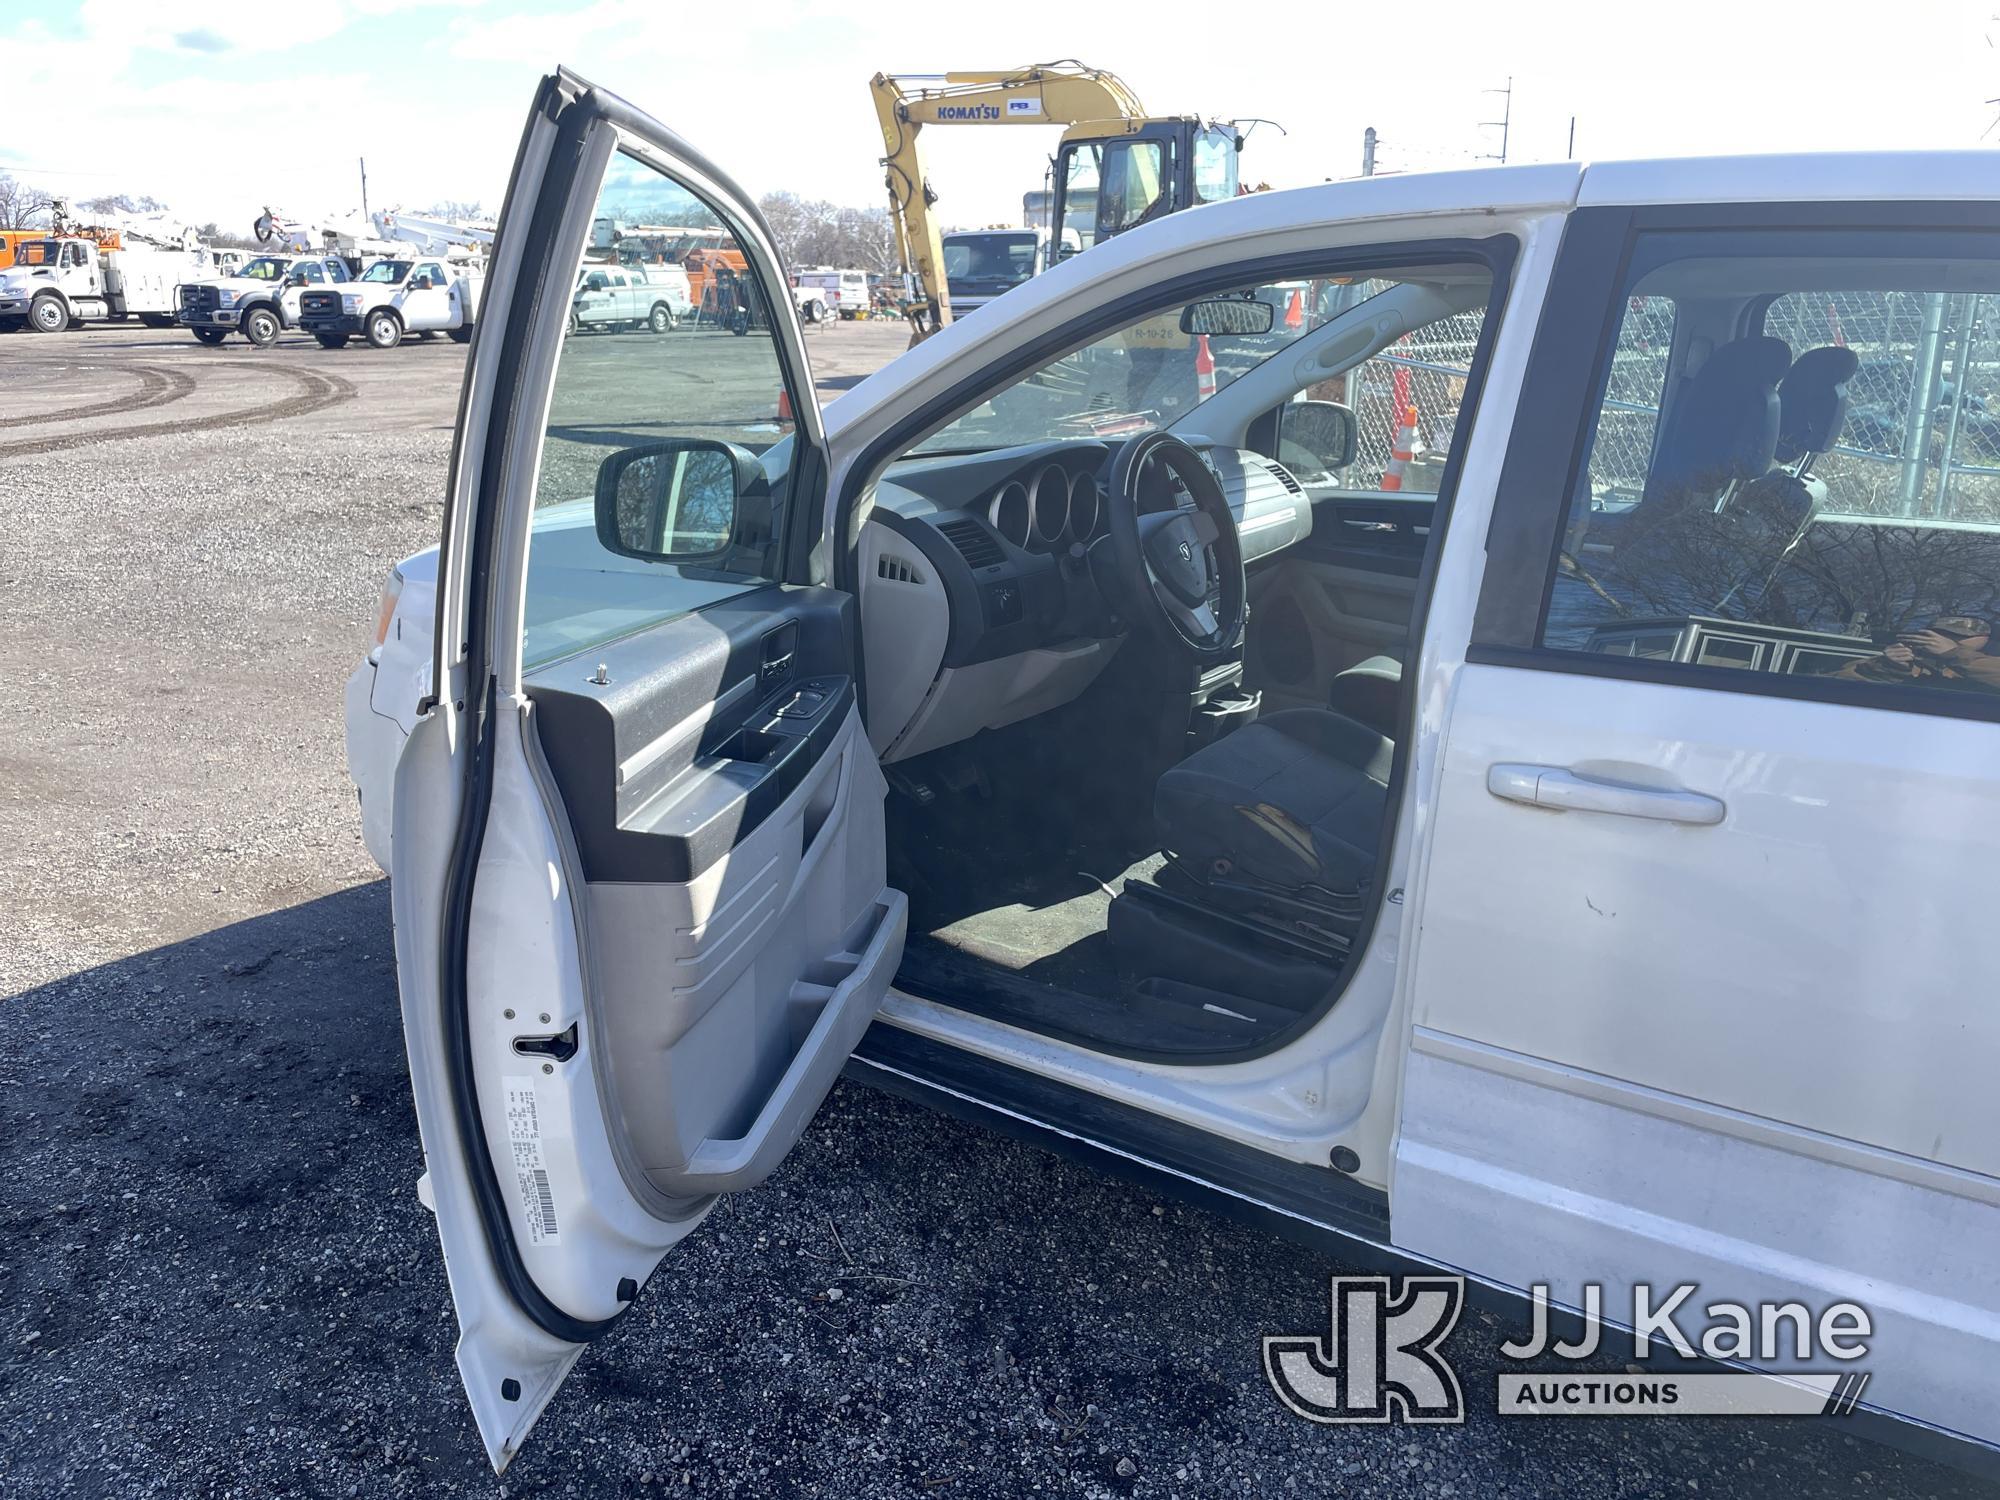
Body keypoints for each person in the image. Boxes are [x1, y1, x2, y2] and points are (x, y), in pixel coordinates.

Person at [1835, 615, 2000, 692]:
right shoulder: (1912, 661)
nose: (1941, 640)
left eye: (1958, 636)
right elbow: (1833, 684)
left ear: (1984, 639)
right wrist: (1888, 668)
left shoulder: (1991, 664)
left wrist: (1954, 653)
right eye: (1936, 634)